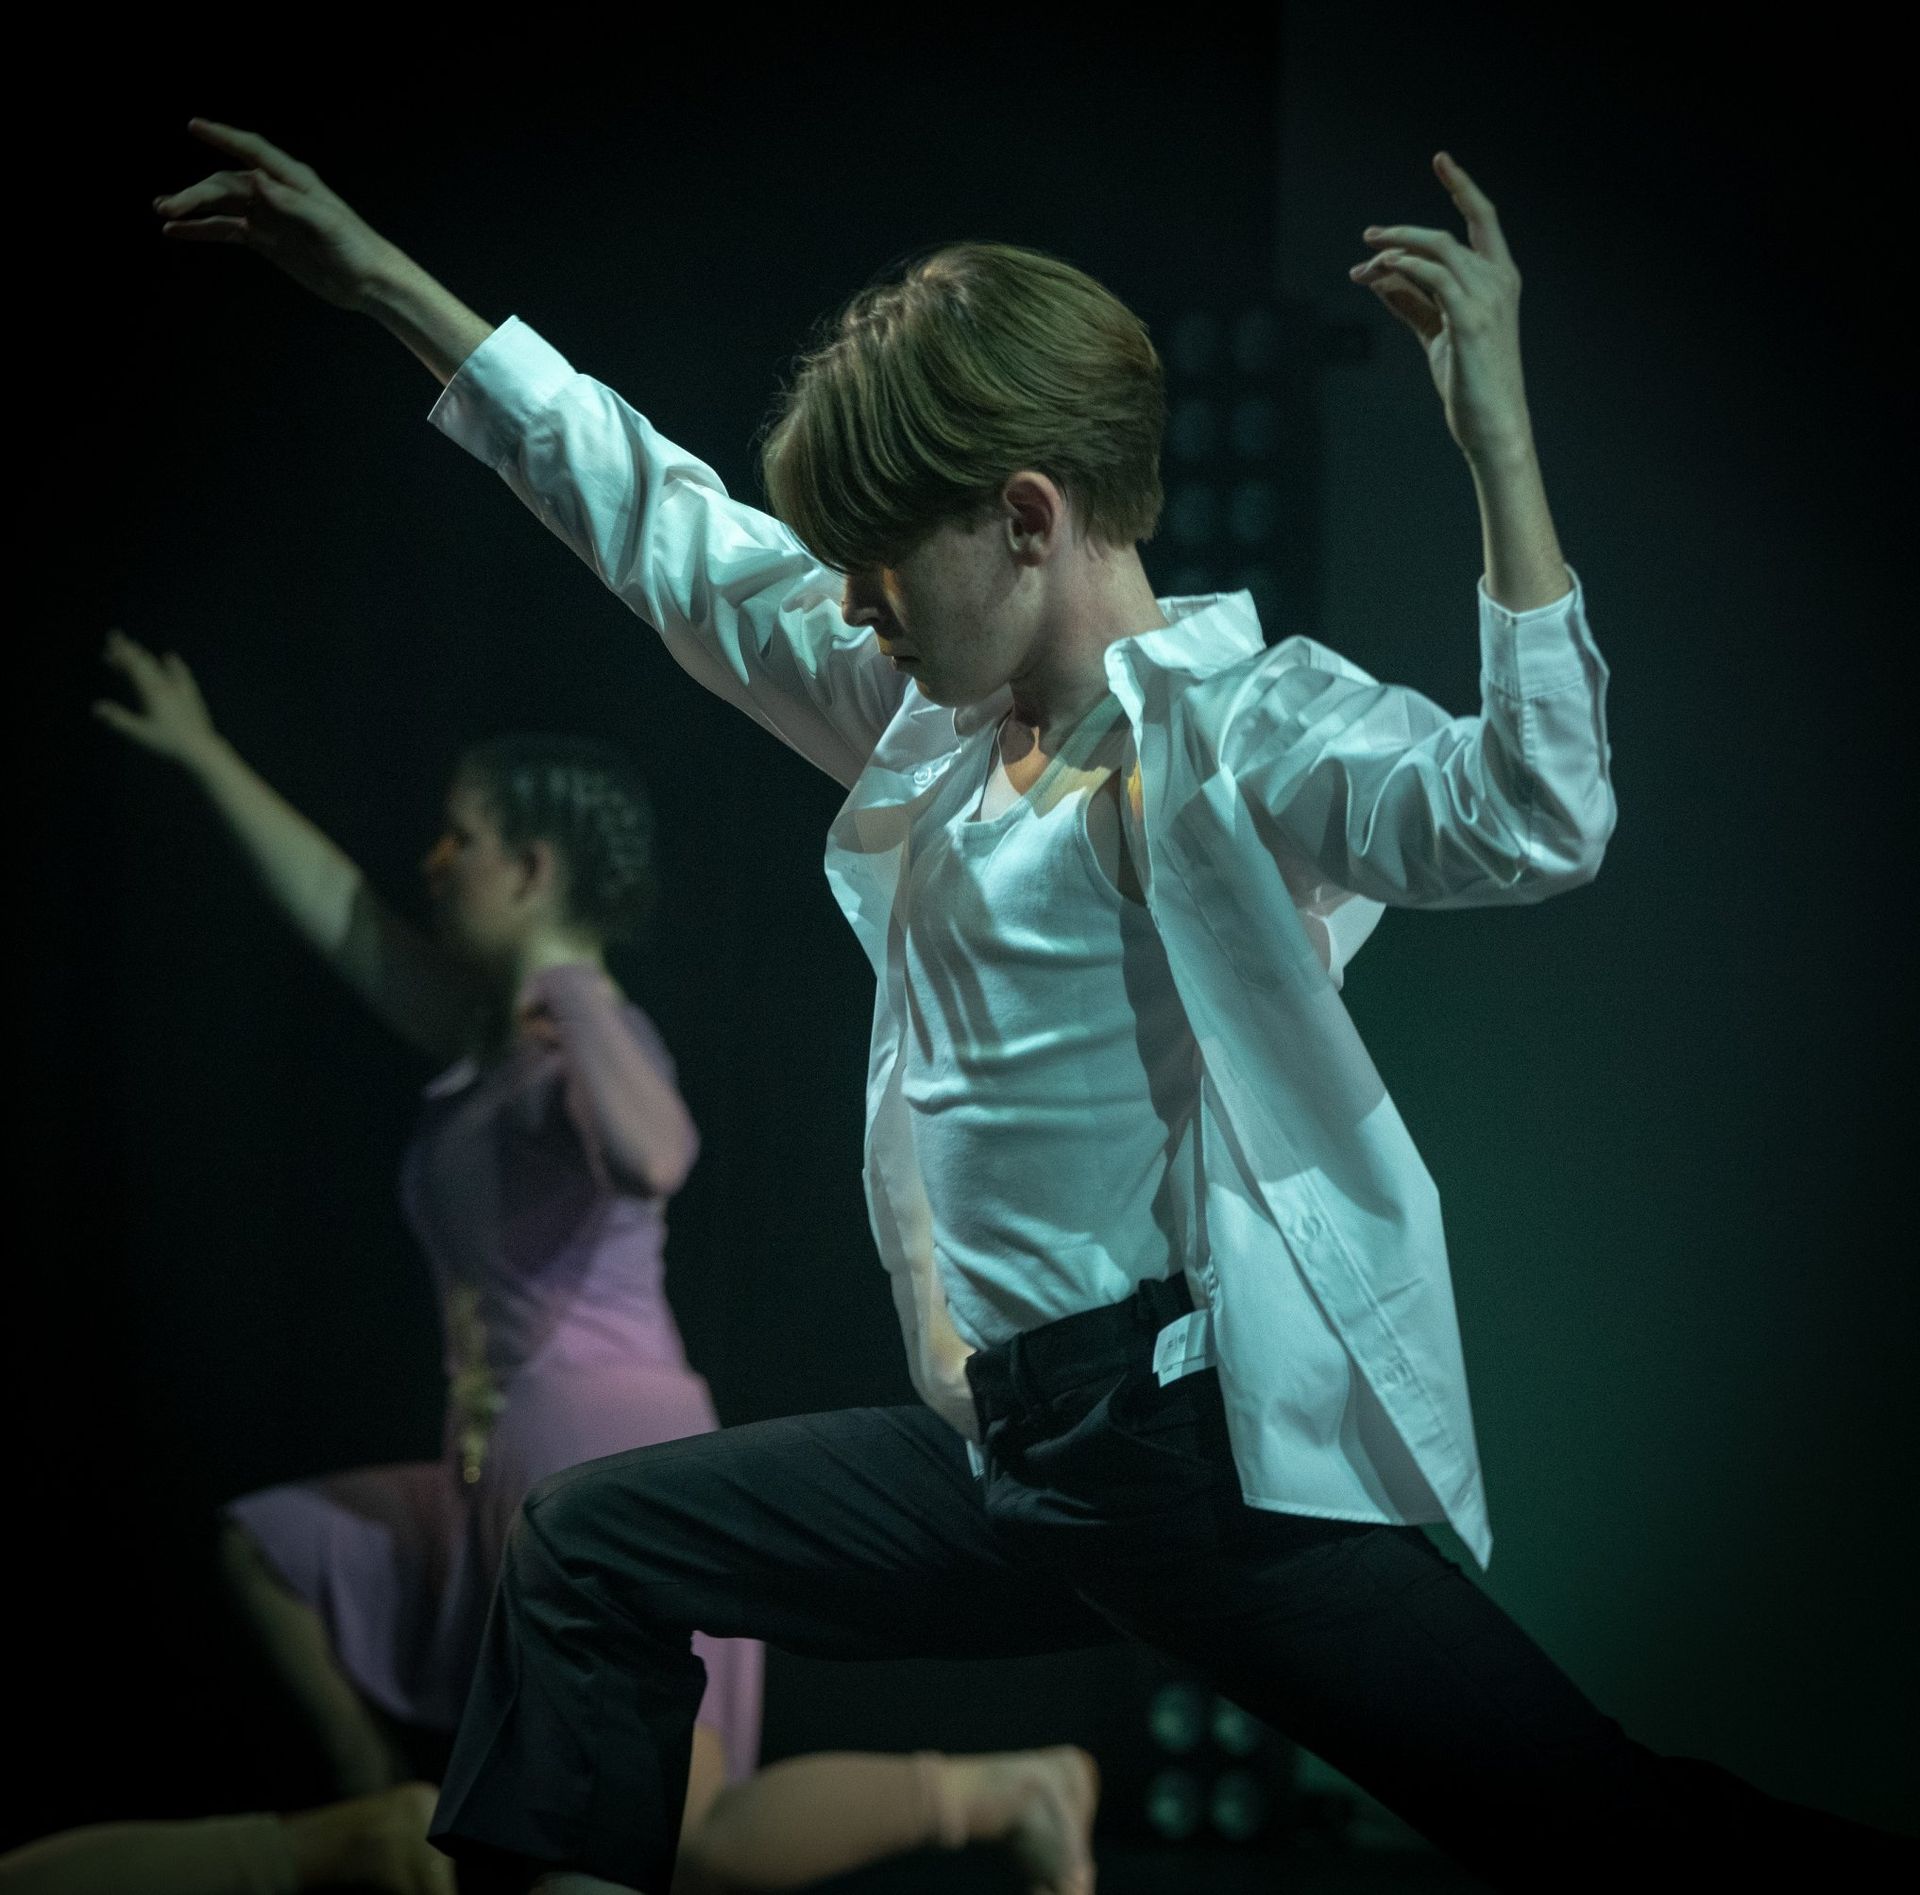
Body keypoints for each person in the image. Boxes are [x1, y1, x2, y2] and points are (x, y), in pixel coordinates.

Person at [150, 120, 1917, 1895]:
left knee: (1596, 1824)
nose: (849, 602)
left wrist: (1499, 446)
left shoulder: (1239, 732)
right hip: (1012, 1454)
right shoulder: (924, 722)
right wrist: (378, 278)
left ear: (1027, 518)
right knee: (589, 1551)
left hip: (1201, 1468)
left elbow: (1539, 815)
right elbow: (654, 521)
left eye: (879, 562)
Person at [93, 636, 1098, 1893]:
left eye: (461, 837)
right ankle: (377, 1822)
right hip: (503, 1448)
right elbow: (350, 916)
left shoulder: (592, 1031)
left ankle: (1006, 1788)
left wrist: (571, 975)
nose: (433, 861)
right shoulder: (491, 1033)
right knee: (278, 1550)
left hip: (601, 1442)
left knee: (675, 1836)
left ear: (532, 867)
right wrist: (204, 754)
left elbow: (659, 1150)